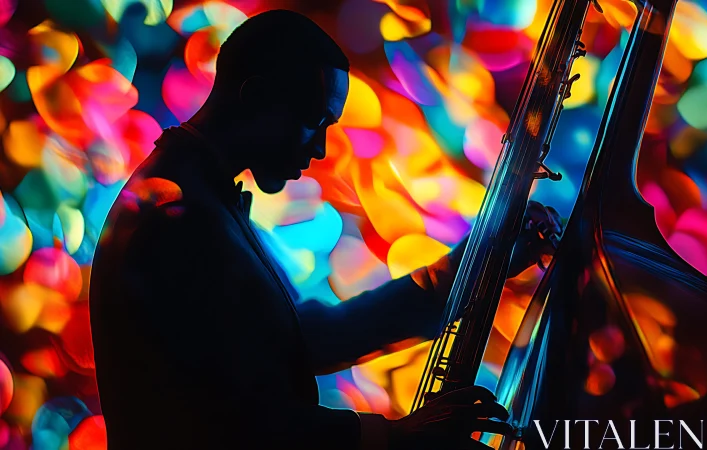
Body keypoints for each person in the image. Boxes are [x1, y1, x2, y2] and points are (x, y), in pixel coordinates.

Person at [88, 9, 563, 450]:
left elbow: (301, 340)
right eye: (314, 122)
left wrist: (474, 265)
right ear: (254, 96)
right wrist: (398, 436)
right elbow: (234, 422)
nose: (319, 150)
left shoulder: (193, 196)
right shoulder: (178, 216)